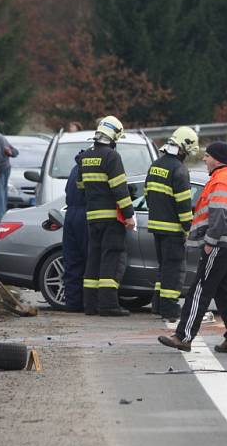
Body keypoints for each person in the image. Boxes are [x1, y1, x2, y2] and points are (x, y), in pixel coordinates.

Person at [158, 141, 227, 353]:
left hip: (219, 243)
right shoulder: (226, 177)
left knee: (199, 289)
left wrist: (210, 241)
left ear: (216, 158)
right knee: (225, 292)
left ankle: (183, 336)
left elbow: (219, 213)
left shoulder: (221, 180)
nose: (204, 159)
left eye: (207, 156)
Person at [79, 115, 136, 316]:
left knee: (93, 258)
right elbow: (120, 189)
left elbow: (80, 186)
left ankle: (90, 305)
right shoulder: (112, 157)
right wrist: (129, 215)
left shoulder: (85, 156)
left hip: (92, 217)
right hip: (111, 218)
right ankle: (108, 305)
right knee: (110, 259)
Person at [145, 126, 198, 323]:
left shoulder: (155, 165)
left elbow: (147, 195)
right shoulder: (179, 170)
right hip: (173, 230)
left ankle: (158, 304)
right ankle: (169, 309)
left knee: (163, 268)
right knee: (174, 270)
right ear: (183, 148)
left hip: (156, 227)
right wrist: (187, 228)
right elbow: (184, 205)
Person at [62, 162, 87, 312]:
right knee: (90, 260)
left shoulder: (75, 167)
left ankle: (72, 303)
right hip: (85, 214)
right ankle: (90, 302)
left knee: (72, 261)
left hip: (70, 214)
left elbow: (67, 190)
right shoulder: (93, 167)